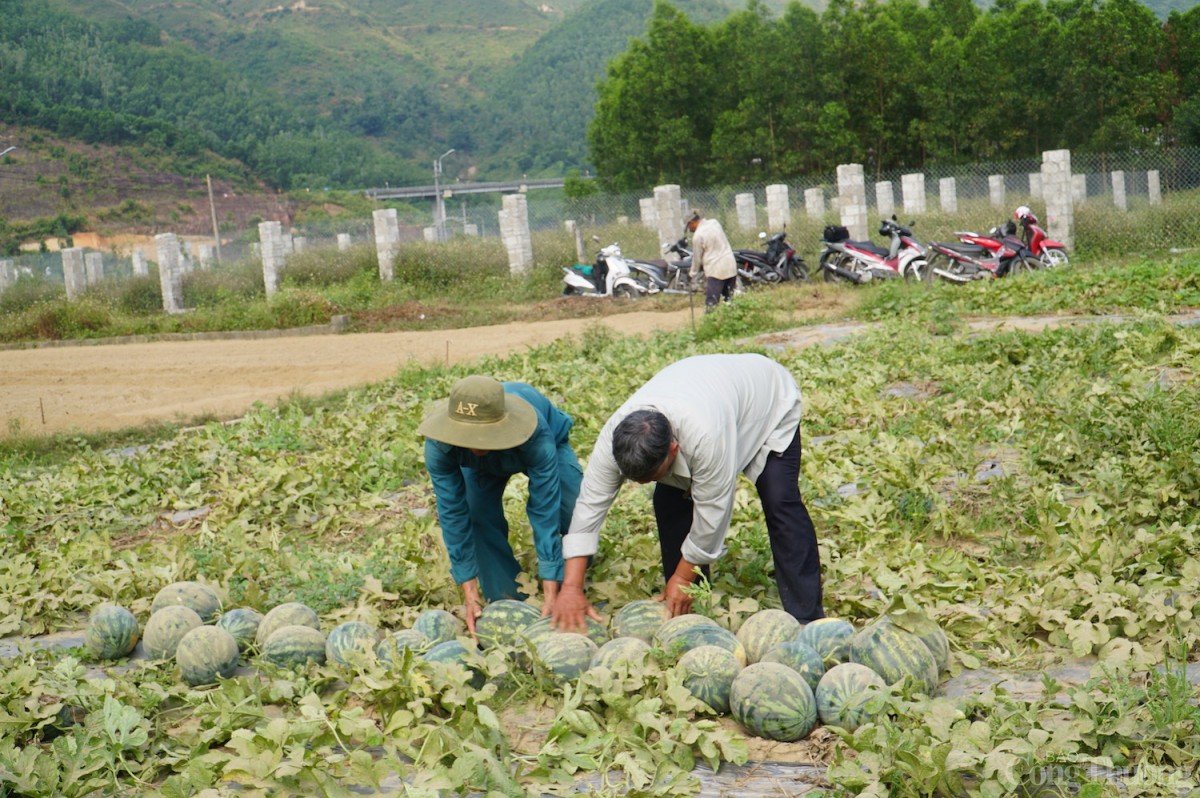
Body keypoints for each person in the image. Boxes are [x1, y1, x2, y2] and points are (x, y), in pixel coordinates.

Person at [551, 353, 824, 631]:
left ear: (672, 449)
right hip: (711, 394)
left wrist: (682, 578)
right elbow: (588, 508)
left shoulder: (706, 437)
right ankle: (687, 608)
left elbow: (712, 516)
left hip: (766, 405)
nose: (643, 485)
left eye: (652, 476)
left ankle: (807, 615)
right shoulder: (614, 440)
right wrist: (572, 586)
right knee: (669, 503)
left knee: (779, 500)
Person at [418, 375, 581, 633]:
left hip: (534, 443)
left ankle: (569, 578)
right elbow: (453, 513)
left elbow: (544, 507)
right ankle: (508, 595)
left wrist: (552, 588)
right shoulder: (440, 445)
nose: (477, 443)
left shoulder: (535, 433)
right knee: (476, 515)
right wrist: (469, 593)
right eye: (469, 436)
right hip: (479, 467)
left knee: (573, 510)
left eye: (483, 434)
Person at [686, 211, 738, 310]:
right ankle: (732, 320)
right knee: (729, 298)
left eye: (689, 226)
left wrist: (692, 274)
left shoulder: (698, 236)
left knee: (712, 302)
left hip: (716, 270)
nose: (689, 229)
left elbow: (697, 258)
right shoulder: (715, 223)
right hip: (730, 264)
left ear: (692, 222)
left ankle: (710, 323)